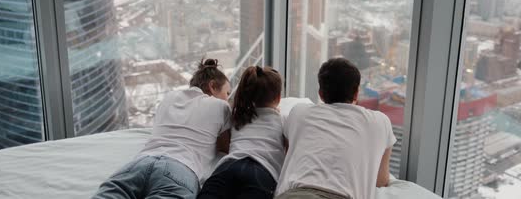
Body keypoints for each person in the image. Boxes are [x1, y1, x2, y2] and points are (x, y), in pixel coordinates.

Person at [92, 59, 232, 199]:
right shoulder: (221, 106)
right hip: (180, 168)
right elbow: (228, 148)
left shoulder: (169, 97)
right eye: (227, 93)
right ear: (212, 86)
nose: (227, 99)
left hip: (140, 163)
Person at [275, 57, 395, 199]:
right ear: (356, 93)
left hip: (295, 195)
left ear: (321, 93)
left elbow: (290, 154)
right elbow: (381, 181)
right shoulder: (380, 122)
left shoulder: (299, 113)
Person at [198, 66, 284, 199]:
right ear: (278, 98)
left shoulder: (239, 117)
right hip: (261, 171)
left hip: (228, 167)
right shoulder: (283, 121)